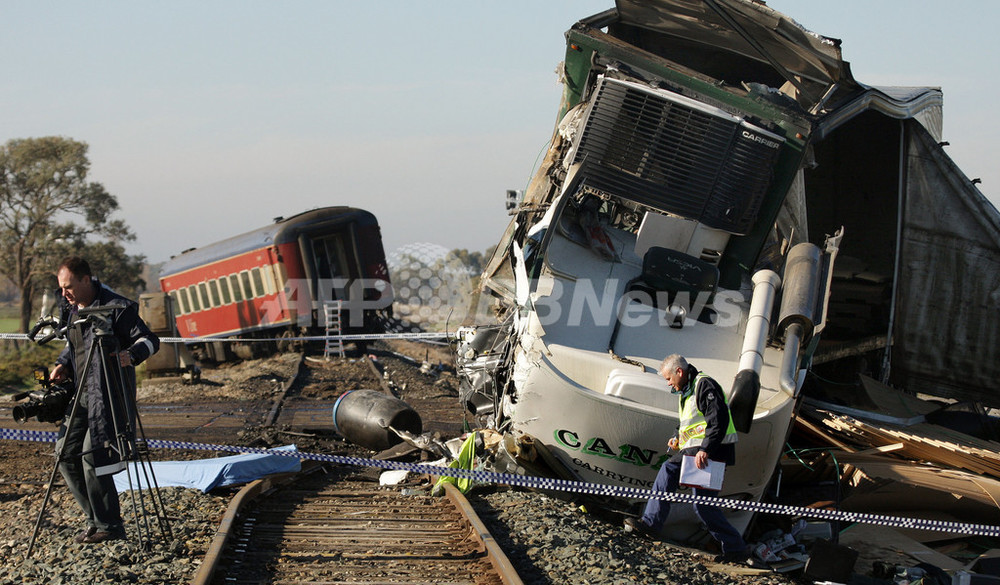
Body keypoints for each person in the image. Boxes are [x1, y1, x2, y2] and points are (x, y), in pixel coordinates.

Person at [50, 257, 160, 544]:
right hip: (81, 394)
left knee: (91, 455)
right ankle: (94, 520)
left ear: (86, 280)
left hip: (109, 394)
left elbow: (149, 340)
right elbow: (71, 346)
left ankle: (110, 526)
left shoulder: (118, 308)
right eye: (62, 289)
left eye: (69, 287)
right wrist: (63, 364)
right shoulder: (72, 310)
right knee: (64, 453)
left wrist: (132, 355)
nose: (65, 294)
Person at [624, 354, 750, 563]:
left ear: (679, 372)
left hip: (708, 451)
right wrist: (676, 437)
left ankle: (651, 524)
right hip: (706, 451)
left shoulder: (704, 385)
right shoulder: (689, 390)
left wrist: (706, 449)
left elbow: (717, 419)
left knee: (668, 470)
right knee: (703, 505)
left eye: (668, 378)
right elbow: (688, 423)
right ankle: (736, 548)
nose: (668, 383)